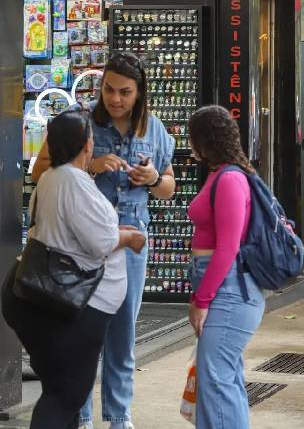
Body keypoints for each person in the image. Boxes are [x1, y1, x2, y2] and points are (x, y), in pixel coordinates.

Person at [31, 52, 176, 429]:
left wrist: (153, 179)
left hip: (129, 243)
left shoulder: (154, 129)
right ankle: (81, 416)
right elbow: (39, 169)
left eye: (124, 92)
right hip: (80, 245)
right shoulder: (79, 125)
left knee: (123, 334)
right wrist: (88, 165)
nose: (114, 99)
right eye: (109, 90)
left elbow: (169, 187)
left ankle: (119, 415)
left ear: (140, 93)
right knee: (81, 333)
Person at [2, 111, 146, 429]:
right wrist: (130, 237)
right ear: (86, 146)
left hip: (36, 298)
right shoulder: (73, 181)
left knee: (59, 390)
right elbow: (101, 242)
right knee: (66, 394)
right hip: (69, 304)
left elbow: (70, 234)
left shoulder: (51, 178)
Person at [184, 105, 265, 428]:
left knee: (215, 380)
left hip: (229, 291)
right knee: (222, 380)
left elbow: (228, 248)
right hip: (223, 288)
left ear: (204, 140)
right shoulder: (223, 175)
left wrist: (202, 300)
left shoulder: (230, 179)